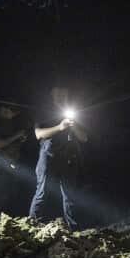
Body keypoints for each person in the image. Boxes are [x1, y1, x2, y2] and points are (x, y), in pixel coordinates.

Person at [28, 86, 87, 228]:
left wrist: (73, 125)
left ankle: (74, 228)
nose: (62, 95)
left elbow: (84, 138)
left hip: (68, 158)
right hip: (49, 157)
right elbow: (38, 134)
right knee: (42, 192)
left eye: (64, 93)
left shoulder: (74, 112)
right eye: (58, 93)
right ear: (52, 94)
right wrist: (59, 127)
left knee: (70, 195)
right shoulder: (44, 112)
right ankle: (31, 227)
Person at [0, 104, 28, 217]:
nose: (15, 114)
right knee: (1, 197)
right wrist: (17, 135)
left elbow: (17, 142)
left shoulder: (12, 124)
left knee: (13, 195)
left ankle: (10, 224)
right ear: (4, 109)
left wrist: (21, 138)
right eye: (12, 111)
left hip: (13, 164)